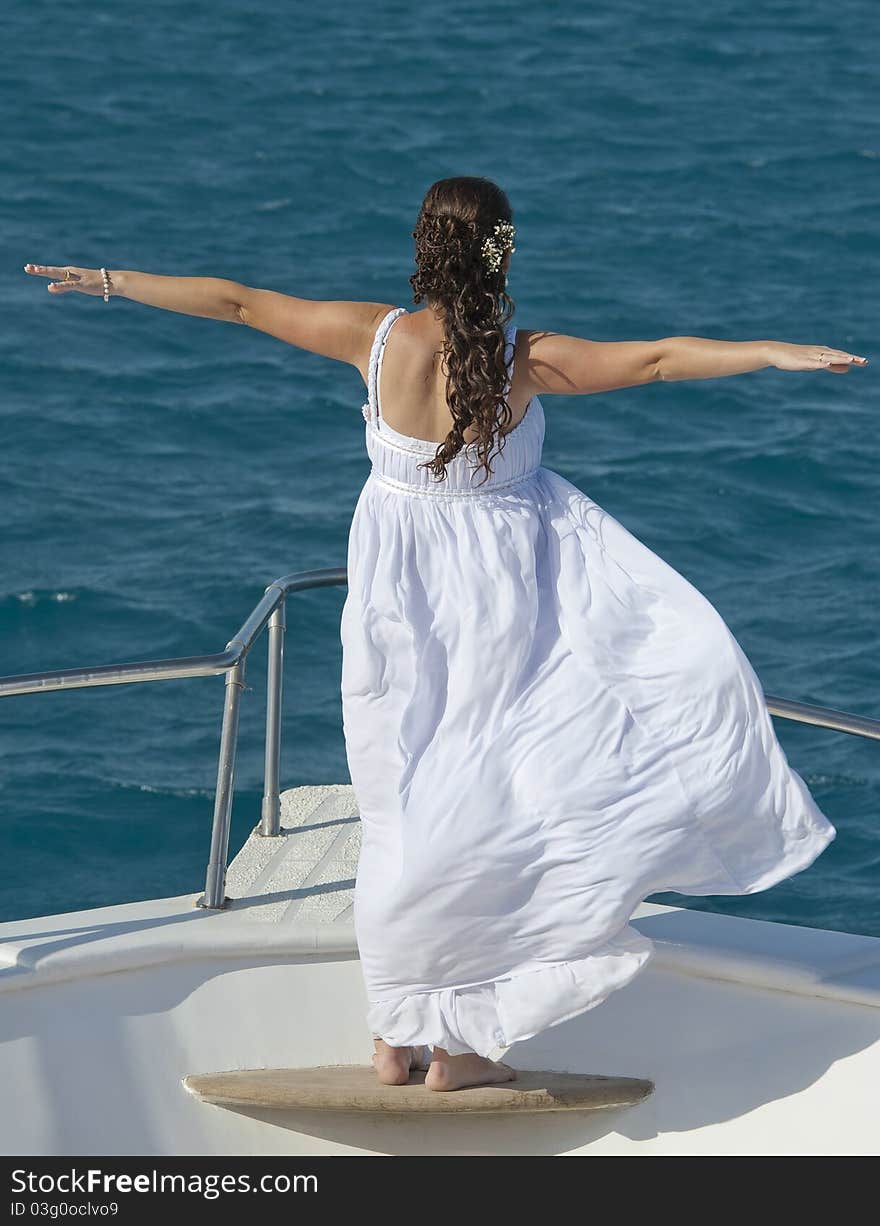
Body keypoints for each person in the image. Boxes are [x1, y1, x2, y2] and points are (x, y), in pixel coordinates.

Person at [24, 175, 866, 1094]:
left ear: (424, 248)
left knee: (400, 808)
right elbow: (660, 359)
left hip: (397, 611)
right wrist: (774, 353)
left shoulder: (374, 336)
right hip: (507, 610)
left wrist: (109, 278)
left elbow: (238, 302)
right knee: (499, 801)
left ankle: (396, 1039)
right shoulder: (523, 358)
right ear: (501, 255)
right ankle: (460, 1049)